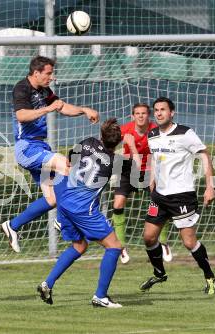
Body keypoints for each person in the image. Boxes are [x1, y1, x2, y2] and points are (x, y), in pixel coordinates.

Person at [2, 56, 99, 252]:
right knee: (65, 164)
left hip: (40, 148)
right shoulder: (22, 88)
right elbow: (22, 115)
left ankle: (12, 226)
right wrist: (48, 108)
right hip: (27, 148)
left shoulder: (44, 91)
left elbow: (61, 107)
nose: (51, 77)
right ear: (36, 73)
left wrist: (83, 110)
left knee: (52, 199)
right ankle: (63, 220)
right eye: (48, 73)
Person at [37, 118, 135, 308]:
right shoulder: (116, 162)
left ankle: (47, 284)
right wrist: (131, 146)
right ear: (119, 142)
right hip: (83, 209)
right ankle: (101, 296)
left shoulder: (88, 142)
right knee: (114, 247)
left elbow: (68, 161)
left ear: (100, 135)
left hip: (65, 201)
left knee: (80, 246)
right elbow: (137, 170)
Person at [140, 97, 215, 295]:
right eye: (156, 110)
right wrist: (152, 179)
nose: (158, 113)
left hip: (181, 196)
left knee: (189, 242)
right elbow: (156, 160)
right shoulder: (153, 135)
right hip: (160, 196)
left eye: (163, 110)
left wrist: (210, 186)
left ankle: (209, 276)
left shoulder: (185, 133)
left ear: (171, 113)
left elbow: (205, 155)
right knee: (148, 237)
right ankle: (159, 273)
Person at [112, 103, 160, 264]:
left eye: (144, 113)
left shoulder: (155, 131)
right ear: (132, 116)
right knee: (118, 204)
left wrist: (154, 176)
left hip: (150, 170)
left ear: (149, 116)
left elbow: (157, 155)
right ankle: (120, 246)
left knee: (161, 202)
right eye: (137, 113)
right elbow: (107, 143)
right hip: (128, 170)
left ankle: (163, 242)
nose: (140, 116)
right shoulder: (125, 129)